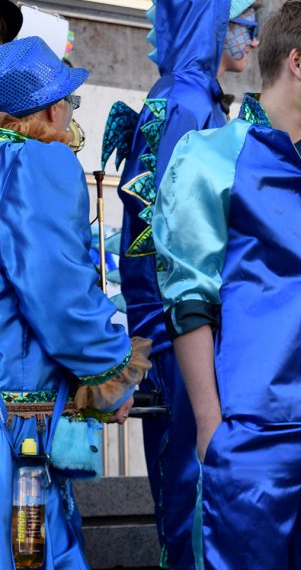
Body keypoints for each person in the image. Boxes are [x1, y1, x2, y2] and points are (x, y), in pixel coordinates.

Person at [153, 0, 301, 569]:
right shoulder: (212, 157)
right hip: (254, 425)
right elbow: (188, 298)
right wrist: (210, 425)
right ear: (296, 62)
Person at [99, 0, 258, 569]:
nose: (253, 40)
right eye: (243, 25)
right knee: (192, 489)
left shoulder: (198, 101)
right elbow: (157, 230)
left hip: (200, 322)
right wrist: (161, 328)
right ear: (210, 26)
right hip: (180, 327)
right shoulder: (182, 103)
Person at [0, 36, 151, 567]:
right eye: (70, 102)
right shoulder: (38, 162)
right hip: (17, 413)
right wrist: (112, 374)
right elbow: (58, 292)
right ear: (50, 109)